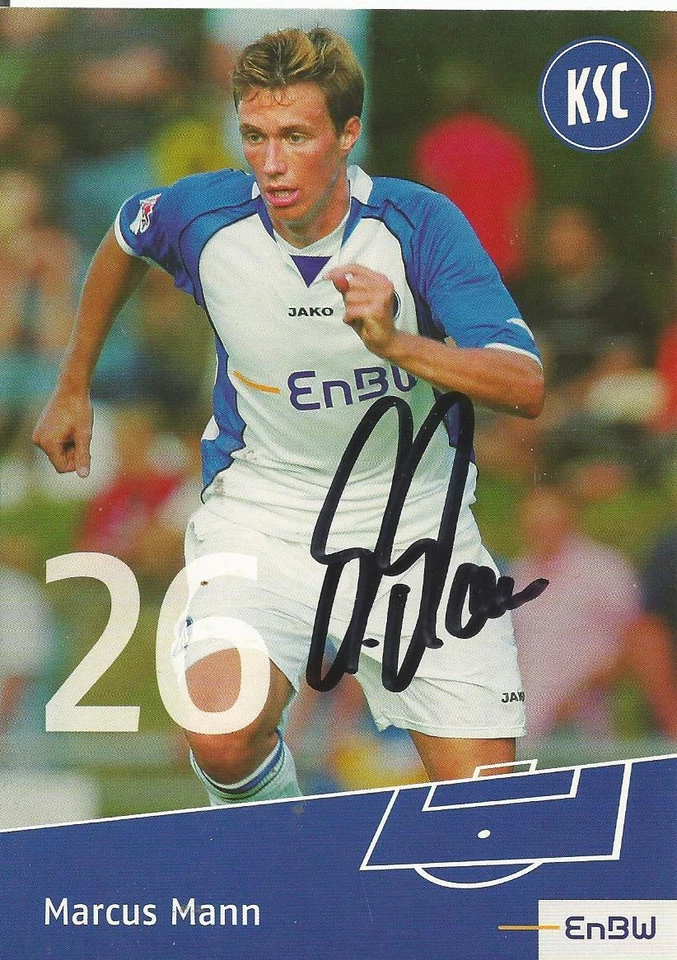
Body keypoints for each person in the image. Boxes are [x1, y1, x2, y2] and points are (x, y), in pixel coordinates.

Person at [33, 28, 544, 806]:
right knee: (219, 732)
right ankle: (294, 862)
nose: (270, 163)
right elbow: (124, 237)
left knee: (486, 816)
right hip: (264, 518)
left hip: (416, 532)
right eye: (255, 136)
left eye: (295, 137)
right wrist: (72, 384)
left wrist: (396, 344)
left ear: (346, 134)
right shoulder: (203, 214)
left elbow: (523, 384)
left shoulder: (418, 224)